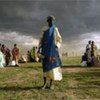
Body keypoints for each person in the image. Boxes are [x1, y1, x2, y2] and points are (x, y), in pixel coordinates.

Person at [38, 16, 62, 89]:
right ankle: (45, 83)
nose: (52, 22)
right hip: (45, 51)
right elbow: (41, 40)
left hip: (52, 51)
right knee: (45, 67)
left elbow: (59, 39)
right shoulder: (44, 29)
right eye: (50, 21)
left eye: (53, 21)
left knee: (52, 68)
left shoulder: (55, 29)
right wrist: (39, 48)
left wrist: (57, 46)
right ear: (48, 21)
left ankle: (51, 84)